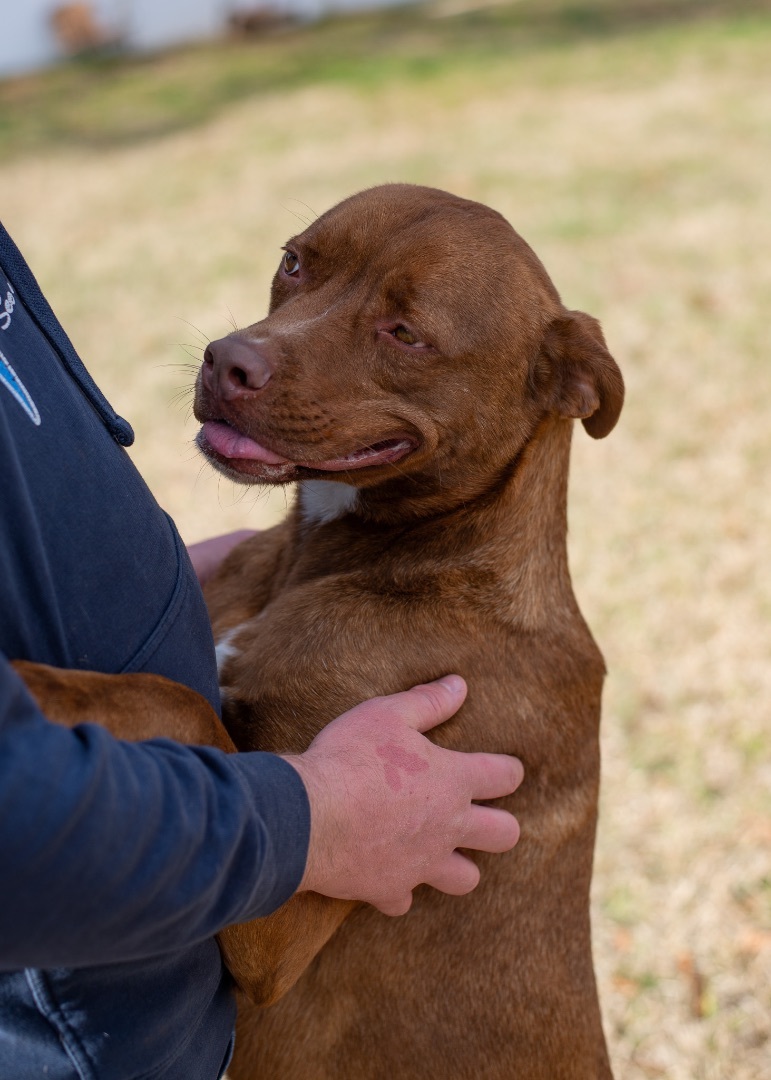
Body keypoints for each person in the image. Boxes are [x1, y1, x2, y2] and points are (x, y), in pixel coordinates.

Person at [0, 220, 523, 1080]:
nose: (250, 346)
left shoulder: (461, 655)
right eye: (296, 269)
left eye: (403, 333)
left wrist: (151, 581)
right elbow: (270, 944)